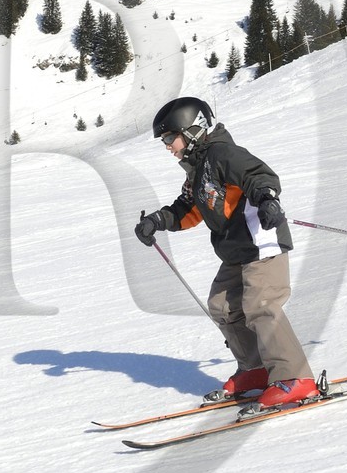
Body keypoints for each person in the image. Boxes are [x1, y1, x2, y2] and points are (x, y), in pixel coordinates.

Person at [133, 96, 318, 408]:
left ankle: (294, 378)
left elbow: (259, 176)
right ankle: (256, 369)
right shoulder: (197, 168)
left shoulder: (222, 153)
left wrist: (269, 198)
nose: (167, 146)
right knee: (222, 305)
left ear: (192, 130)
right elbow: (189, 208)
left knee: (261, 304)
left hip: (261, 241)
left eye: (169, 138)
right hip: (236, 250)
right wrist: (157, 220)